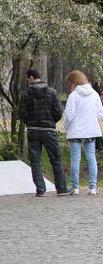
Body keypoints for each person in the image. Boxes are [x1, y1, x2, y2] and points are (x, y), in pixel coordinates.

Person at [18, 68, 72, 197]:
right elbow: (58, 112)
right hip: (48, 129)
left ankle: (40, 190)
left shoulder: (25, 94)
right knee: (56, 159)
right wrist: (50, 121)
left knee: (35, 161)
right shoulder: (51, 93)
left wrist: (29, 122)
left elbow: (22, 113)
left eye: (27, 79)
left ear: (31, 77)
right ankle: (62, 189)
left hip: (33, 130)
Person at [64, 70, 103, 195]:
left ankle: (75, 187)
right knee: (91, 158)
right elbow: (100, 114)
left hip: (75, 131)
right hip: (91, 131)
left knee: (75, 159)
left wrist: (66, 126)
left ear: (73, 82)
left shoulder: (73, 96)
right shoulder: (94, 95)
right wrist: (92, 121)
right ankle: (92, 187)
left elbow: (69, 115)